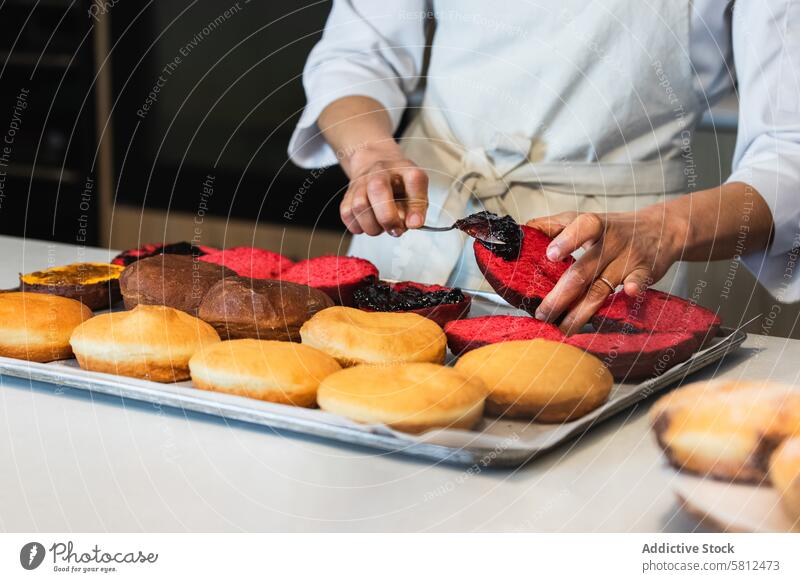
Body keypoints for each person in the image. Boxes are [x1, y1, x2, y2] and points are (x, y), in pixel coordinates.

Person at [289, 1, 797, 334]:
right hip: (416, 229)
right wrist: (371, 154)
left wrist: (664, 231)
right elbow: (358, 54)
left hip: (604, 268)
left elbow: (790, 148)